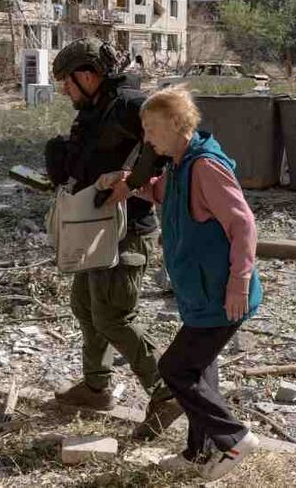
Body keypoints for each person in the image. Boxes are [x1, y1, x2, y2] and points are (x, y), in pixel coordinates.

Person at [97, 85, 264, 480]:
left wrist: (239, 283)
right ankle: (196, 453)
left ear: (176, 123)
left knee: (175, 369)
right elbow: (166, 196)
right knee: (201, 370)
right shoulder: (178, 165)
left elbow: (243, 225)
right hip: (201, 293)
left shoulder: (205, 166)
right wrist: (127, 181)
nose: (147, 138)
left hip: (223, 294)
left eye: (152, 129)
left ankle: (235, 439)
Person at [44, 38, 183, 441]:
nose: (65, 92)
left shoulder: (127, 104)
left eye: (67, 83)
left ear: (87, 75)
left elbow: (170, 135)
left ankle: (167, 391)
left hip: (127, 232)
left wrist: (135, 181)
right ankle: (95, 388)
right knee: (86, 305)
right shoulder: (94, 110)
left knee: (113, 316)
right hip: (93, 228)